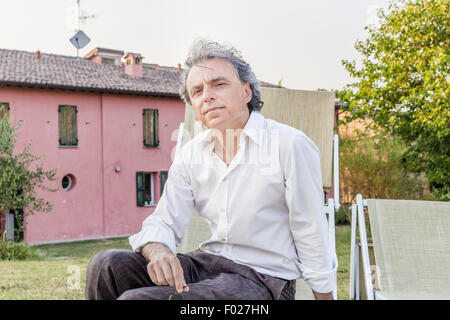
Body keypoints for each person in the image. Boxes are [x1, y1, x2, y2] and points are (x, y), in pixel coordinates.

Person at [85, 39, 337, 300]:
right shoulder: (192, 154)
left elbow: (311, 232)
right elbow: (163, 220)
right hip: (206, 265)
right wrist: (158, 250)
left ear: (247, 92)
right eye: (197, 91)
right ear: (194, 108)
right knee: (107, 265)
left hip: (263, 281)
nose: (207, 96)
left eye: (219, 84)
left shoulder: (289, 145)